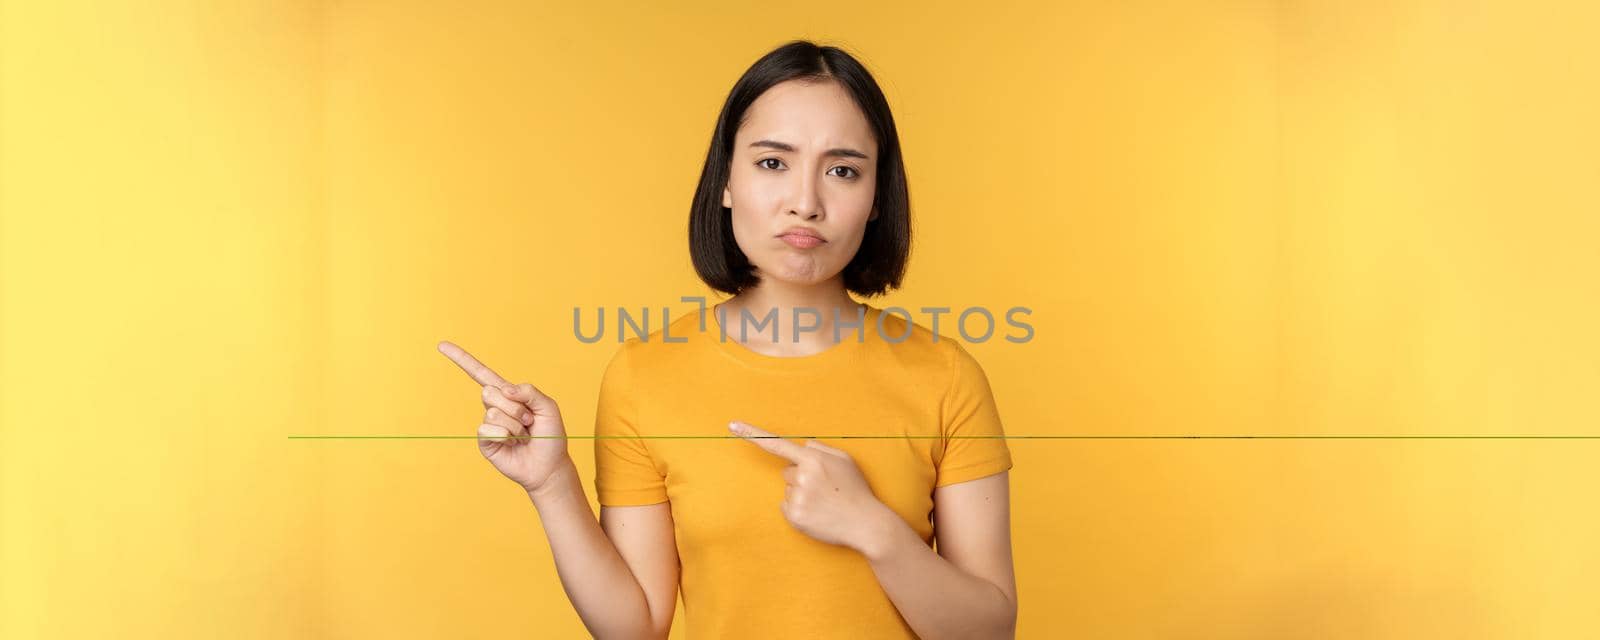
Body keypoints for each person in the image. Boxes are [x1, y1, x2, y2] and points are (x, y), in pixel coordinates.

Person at [439, 40, 1016, 639]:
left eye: (843, 170)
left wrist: (874, 529)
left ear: (875, 200)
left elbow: (990, 632)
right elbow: (636, 629)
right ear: (727, 183)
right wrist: (553, 484)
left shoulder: (945, 375)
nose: (806, 203)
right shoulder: (645, 375)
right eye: (773, 163)